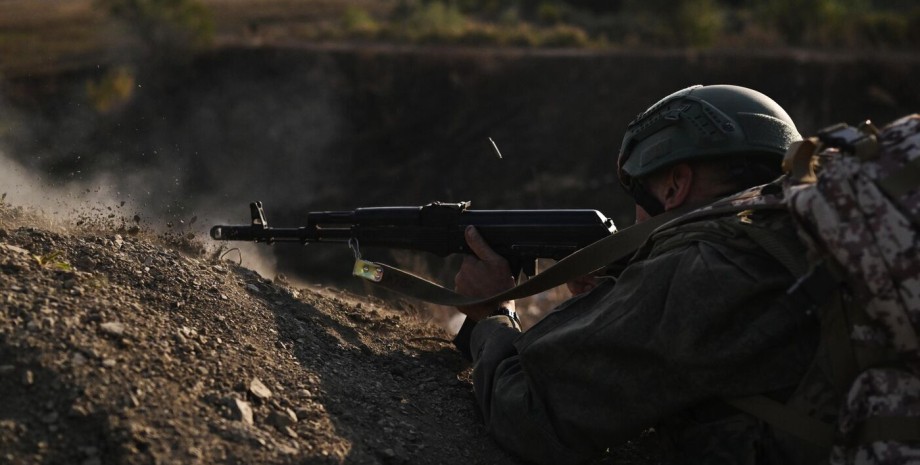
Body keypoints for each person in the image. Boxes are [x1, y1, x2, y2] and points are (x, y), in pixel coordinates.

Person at [452, 85, 838, 465]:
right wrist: (620, 292)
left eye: (638, 193)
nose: (634, 219)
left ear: (675, 185)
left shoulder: (699, 271)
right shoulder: (811, 236)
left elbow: (532, 417)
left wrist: (494, 314)